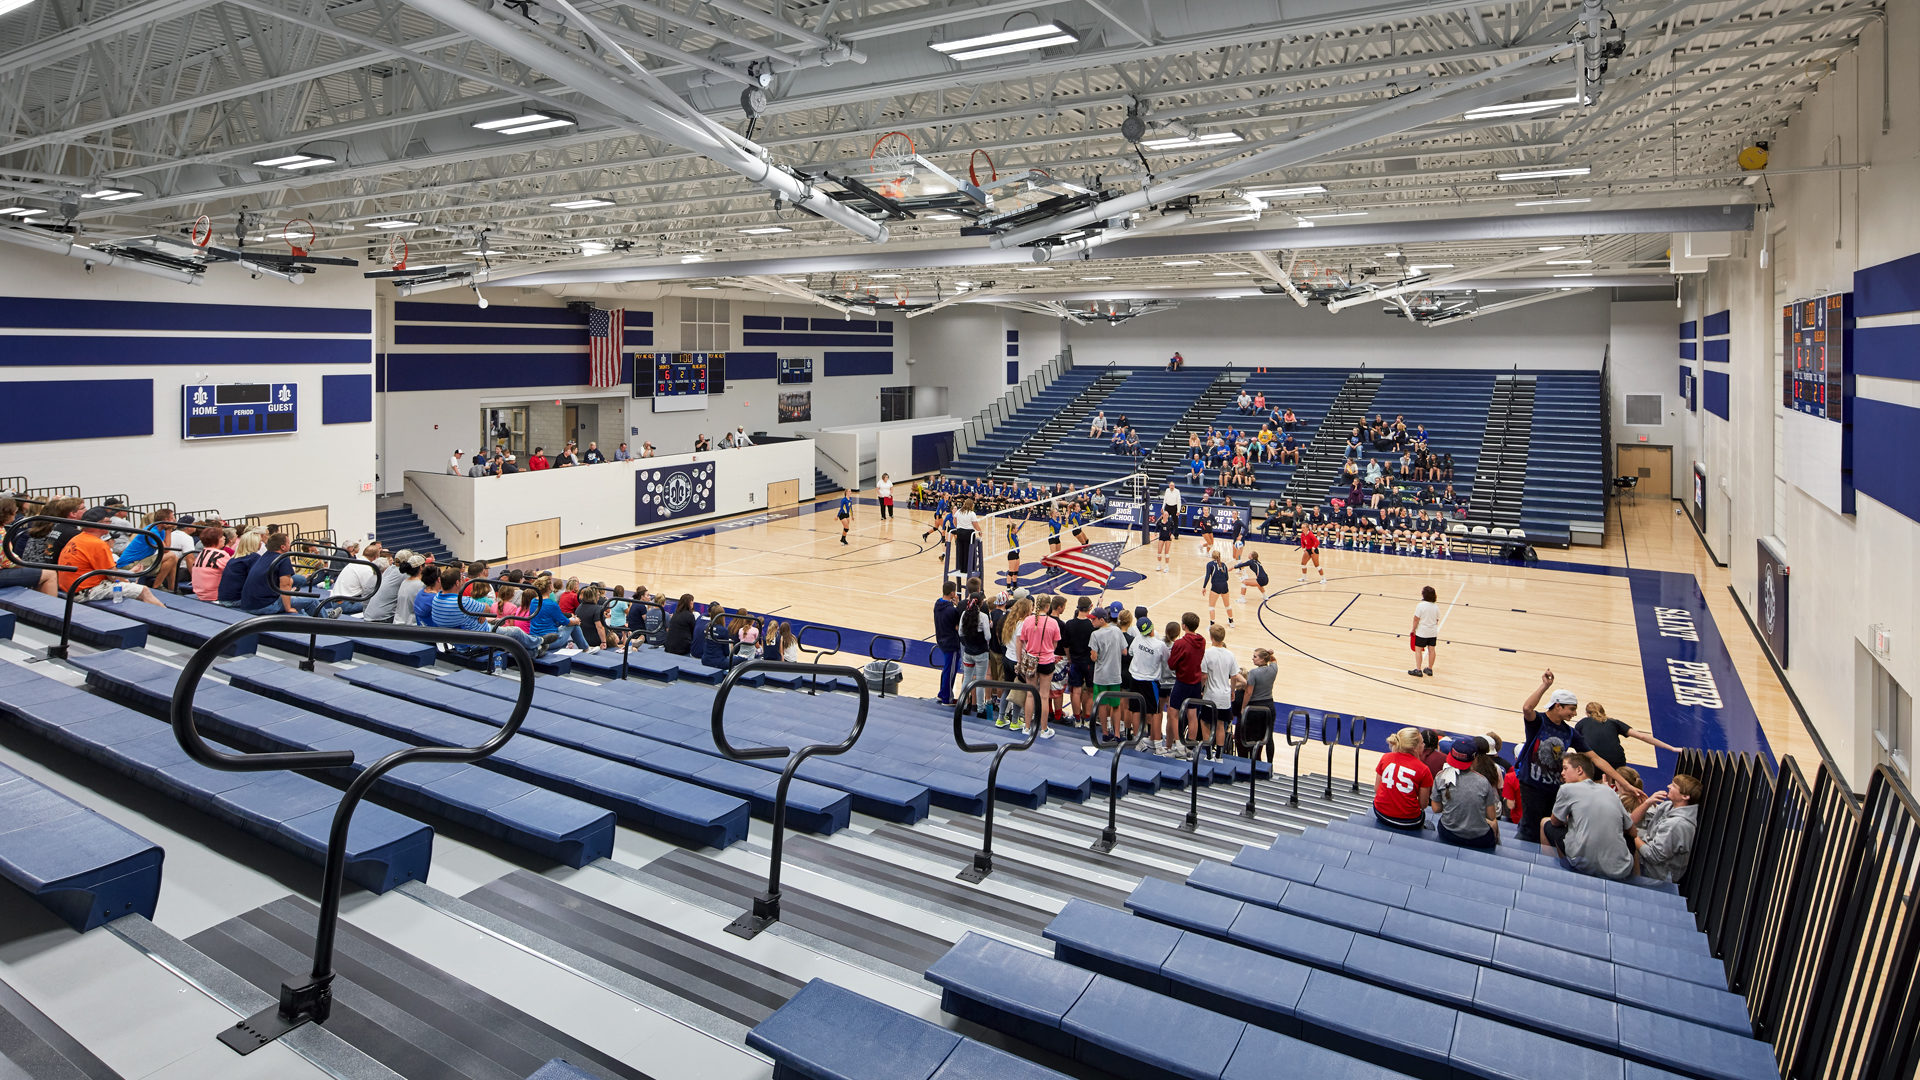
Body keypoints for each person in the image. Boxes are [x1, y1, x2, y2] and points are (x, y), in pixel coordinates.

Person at [1541, 752, 1635, 880]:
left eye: (1565, 768)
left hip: (1582, 864)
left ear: (1579, 770)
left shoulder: (1566, 789)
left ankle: (1550, 872)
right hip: (1619, 869)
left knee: (1544, 822)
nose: (1562, 773)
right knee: (1632, 840)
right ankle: (1637, 880)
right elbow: (1633, 832)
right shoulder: (1609, 791)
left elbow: (1555, 822)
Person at [59, 507, 166, 606]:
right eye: (108, 521)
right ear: (100, 524)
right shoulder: (97, 544)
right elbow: (112, 575)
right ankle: (167, 618)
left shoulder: (77, 538)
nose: (110, 523)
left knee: (133, 583)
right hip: (86, 591)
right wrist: (128, 581)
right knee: (143, 590)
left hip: (73, 588)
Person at [1631, 774, 1702, 882]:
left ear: (1685, 796)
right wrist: (1647, 802)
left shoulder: (1677, 825)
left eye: (1673, 786)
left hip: (1656, 874)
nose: (1668, 786)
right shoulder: (1669, 805)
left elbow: (1653, 856)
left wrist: (1632, 835)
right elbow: (1633, 820)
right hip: (1648, 853)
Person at [1435, 736, 1503, 848]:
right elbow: (1491, 816)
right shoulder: (1485, 779)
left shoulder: (1441, 776)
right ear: (1474, 758)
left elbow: (1436, 809)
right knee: (1494, 823)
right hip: (1478, 837)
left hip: (1448, 833)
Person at [1576, 702, 1683, 773]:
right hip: (1618, 764)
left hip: (1594, 765)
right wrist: (1672, 748)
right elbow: (1642, 736)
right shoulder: (1614, 722)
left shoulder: (1581, 724)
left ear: (1587, 713)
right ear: (1603, 711)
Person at [241, 533, 321, 616]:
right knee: (312, 602)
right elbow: (285, 585)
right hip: (264, 606)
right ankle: (329, 626)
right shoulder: (283, 559)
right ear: (283, 547)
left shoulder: (264, 556)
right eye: (288, 543)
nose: (290, 545)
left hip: (248, 604)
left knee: (299, 604)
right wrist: (288, 608)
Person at [1016, 596, 1062, 738]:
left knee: (1030, 694)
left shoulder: (1028, 621)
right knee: (1044, 696)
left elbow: (1022, 641)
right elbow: (1055, 644)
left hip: (1031, 661)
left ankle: (1027, 727)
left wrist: (1020, 660)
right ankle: (1044, 729)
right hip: (1047, 662)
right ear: (1048, 606)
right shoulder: (1053, 623)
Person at [1373, 726, 1433, 831]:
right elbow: (1423, 805)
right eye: (1422, 743)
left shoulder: (1385, 757)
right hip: (1408, 822)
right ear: (1415, 747)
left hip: (1380, 813)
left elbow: (1377, 789)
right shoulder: (1424, 769)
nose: (1424, 745)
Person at [0, 498, 58, 596]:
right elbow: (7, 562)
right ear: (7, 513)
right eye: (14, 513)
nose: (15, 516)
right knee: (50, 574)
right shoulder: (1, 533)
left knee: (37, 572)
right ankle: (49, 610)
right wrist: (25, 565)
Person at [1087, 606, 1127, 740]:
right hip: (1115, 675)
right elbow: (1124, 651)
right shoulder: (1117, 630)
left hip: (1100, 676)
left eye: (1093, 619)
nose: (1092, 622)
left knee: (1102, 705)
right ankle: (1116, 734)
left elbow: (1094, 657)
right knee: (1115, 705)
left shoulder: (1095, 635)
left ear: (1102, 620)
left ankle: (1105, 733)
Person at [1237, 648, 1277, 763]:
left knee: (1253, 737)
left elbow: (1249, 692)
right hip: (1269, 705)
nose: (1252, 658)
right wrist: (1269, 654)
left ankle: (1252, 762)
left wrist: (1243, 707)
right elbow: (1273, 659)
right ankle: (1270, 763)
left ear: (1262, 659)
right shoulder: (1274, 669)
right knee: (1269, 737)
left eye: (1255, 657)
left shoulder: (1253, 673)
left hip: (1256, 707)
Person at [933, 579, 963, 704]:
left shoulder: (937, 604)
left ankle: (942, 693)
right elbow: (958, 626)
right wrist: (958, 605)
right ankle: (947, 698)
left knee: (946, 669)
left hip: (941, 639)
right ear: (952, 593)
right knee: (950, 671)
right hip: (951, 643)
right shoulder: (952, 610)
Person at [1408, 585, 1440, 677]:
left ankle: (1418, 670)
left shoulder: (1420, 606)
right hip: (1432, 632)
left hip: (1422, 632)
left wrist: (1413, 629)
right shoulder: (1436, 607)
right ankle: (1429, 669)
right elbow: (1437, 620)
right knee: (1432, 650)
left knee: (1418, 650)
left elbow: (1416, 619)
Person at [1201, 549, 1233, 626]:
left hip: (1216, 586)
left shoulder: (1210, 564)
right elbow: (1227, 578)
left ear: (1212, 557)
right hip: (1225, 586)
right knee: (1227, 605)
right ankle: (1231, 622)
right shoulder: (1224, 564)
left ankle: (1212, 625)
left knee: (1211, 606)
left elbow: (1207, 576)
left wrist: (1204, 587)